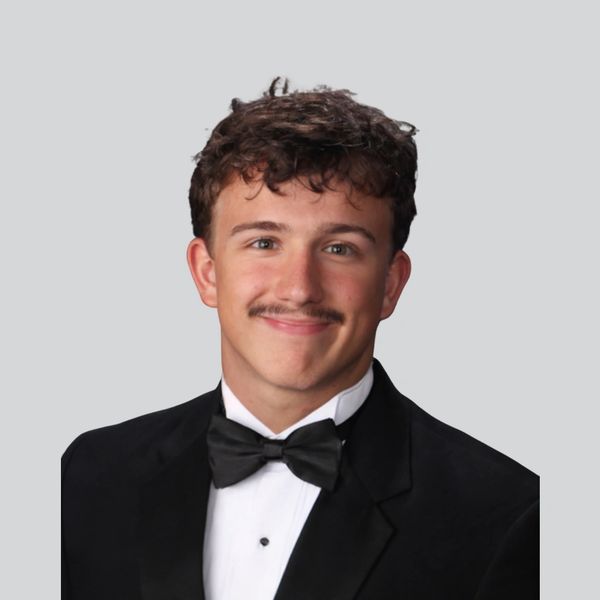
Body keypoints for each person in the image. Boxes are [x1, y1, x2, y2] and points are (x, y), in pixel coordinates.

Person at [61, 78, 539, 600]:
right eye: (264, 242)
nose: (299, 288)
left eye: (339, 249)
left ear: (390, 284)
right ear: (207, 272)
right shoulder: (88, 475)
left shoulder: (506, 513)